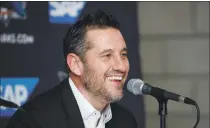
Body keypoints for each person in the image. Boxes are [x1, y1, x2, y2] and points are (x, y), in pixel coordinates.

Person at [6, 10, 137, 128]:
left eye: (123, 55)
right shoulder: (33, 121)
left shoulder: (125, 120)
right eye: (107, 55)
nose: (121, 66)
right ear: (75, 64)